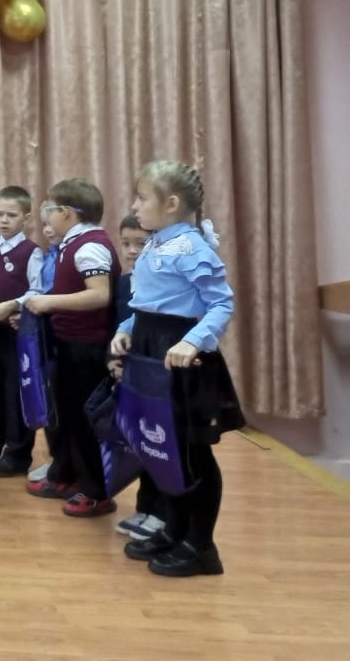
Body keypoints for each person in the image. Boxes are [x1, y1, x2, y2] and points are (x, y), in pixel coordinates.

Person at [111, 161, 242, 577]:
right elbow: (149, 303)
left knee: (193, 453)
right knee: (163, 448)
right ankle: (175, 528)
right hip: (151, 353)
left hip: (183, 360)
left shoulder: (191, 248)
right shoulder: (156, 243)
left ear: (170, 204)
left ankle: (201, 546)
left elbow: (221, 304)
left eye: (141, 198)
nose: (135, 206)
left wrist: (192, 341)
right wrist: (126, 329)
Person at [23, 178, 120, 518]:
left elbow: (100, 295)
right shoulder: (72, 244)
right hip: (68, 345)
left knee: (84, 422)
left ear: (65, 212)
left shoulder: (90, 246)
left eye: (49, 211)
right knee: (65, 416)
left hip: (86, 349)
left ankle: (96, 493)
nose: (46, 218)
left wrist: (48, 302)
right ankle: (65, 475)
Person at [0, 185, 43, 476]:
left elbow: (38, 290)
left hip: (19, 335)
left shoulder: (32, 252)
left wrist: (15, 304)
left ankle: (17, 455)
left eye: (11, 215)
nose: (4, 220)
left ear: (26, 218)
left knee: (16, 394)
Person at [112, 212, 162, 538]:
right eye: (126, 243)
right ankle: (145, 507)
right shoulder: (122, 282)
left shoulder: (161, 284)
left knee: (160, 443)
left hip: (155, 373)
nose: (131, 251)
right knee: (140, 443)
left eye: (140, 243)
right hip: (129, 373)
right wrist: (113, 360)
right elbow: (117, 325)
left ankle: (163, 514)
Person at [27, 201, 63, 482]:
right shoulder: (48, 255)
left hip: (63, 336)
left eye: (52, 223)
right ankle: (56, 460)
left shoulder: (73, 255)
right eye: (44, 225)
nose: (48, 230)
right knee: (50, 400)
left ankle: (63, 463)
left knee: (62, 404)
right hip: (45, 334)